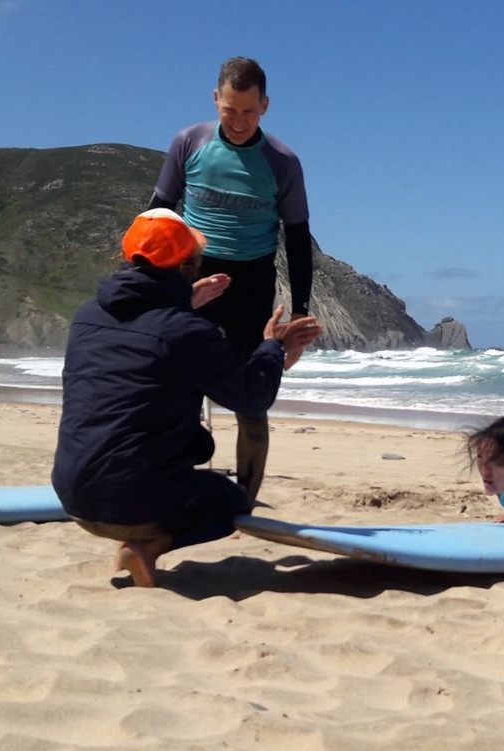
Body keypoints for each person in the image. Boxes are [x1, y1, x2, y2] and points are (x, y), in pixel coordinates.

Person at [51, 208, 321, 587]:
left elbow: (143, 336)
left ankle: (141, 542)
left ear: (129, 258)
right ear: (186, 269)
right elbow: (251, 397)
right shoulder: (187, 331)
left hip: (72, 497)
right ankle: (149, 547)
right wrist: (272, 348)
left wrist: (181, 303)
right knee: (232, 503)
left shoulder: (87, 316)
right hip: (133, 504)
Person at [149, 56, 314, 506]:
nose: (239, 122)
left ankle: (244, 503)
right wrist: (148, 282)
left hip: (251, 284)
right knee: (173, 391)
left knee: (252, 402)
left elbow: (298, 238)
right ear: (215, 100)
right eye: (230, 110)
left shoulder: (282, 162)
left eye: (249, 112)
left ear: (265, 106)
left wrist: (299, 311)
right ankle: (172, 486)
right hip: (192, 274)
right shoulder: (189, 143)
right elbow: (158, 213)